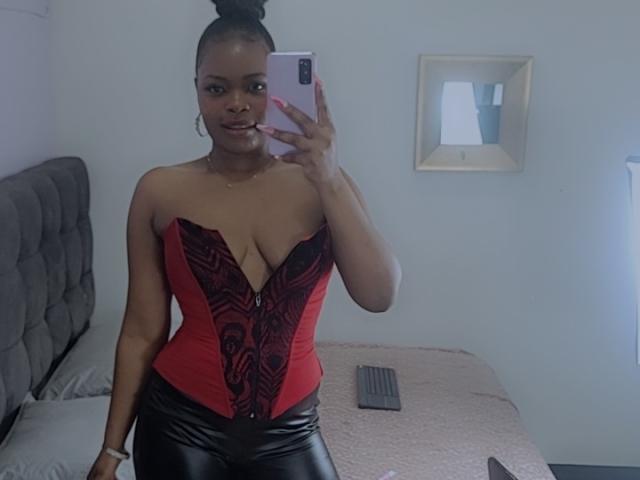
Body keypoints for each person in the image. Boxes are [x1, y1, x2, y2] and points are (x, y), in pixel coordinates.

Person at [87, 0, 401, 478]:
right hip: (180, 427)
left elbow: (379, 296)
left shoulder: (325, 185)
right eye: (217, 88)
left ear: (279, 89)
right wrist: (111, 451)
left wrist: (330, 177)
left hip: (291, 432)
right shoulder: (159, 191)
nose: (237, 104)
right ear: (197, 91)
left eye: (256, 86)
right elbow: (141, 331)